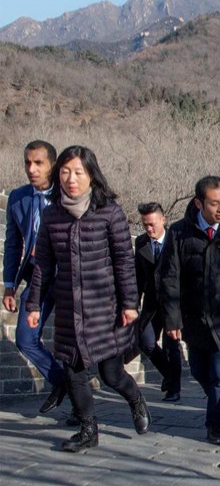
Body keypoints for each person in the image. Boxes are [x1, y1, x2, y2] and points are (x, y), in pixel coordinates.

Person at [26, 145, 150, 452]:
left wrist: (129, 304)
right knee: (74, 372)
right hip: (69, 309)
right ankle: (88, 430)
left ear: (91, 175)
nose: (71, 179)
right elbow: (43, 263)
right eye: (65, 172)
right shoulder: (52, 214)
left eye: (78, 172)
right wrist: (33, 304)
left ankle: (135, 400)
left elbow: (124, 260)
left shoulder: (109, 212)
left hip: (104, 308)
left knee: (111, 374)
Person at [159, 176, 220, 446]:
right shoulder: (180, 232)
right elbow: (169, 278)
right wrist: (172, 320)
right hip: (193, 319)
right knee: (200, 372)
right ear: (198, 203)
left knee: (219, 374)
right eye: (214, 203)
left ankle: (215, 426)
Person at [3, 140, 68, 415]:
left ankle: (81, 409)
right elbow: (13, 244)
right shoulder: (18, 198)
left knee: (73, 344)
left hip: (66, 277)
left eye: (38, 163)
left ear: (52, 165)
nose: (32, 168)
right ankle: (64, 383)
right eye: (27, 163)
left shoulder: (67, 195)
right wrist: (9, 285)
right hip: (37, 278)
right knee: (26, 338)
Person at [134, 202, 182, 402]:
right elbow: (137, 275)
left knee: (172, 346)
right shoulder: (141, 243)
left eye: (152, 224)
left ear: (163, 220)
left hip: (173, 302)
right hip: (152, 302)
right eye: (145, 225)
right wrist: (132, 303)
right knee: (145, 341)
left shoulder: (176, 239)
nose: (149, 229)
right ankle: (170, 375)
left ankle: (174, 389)